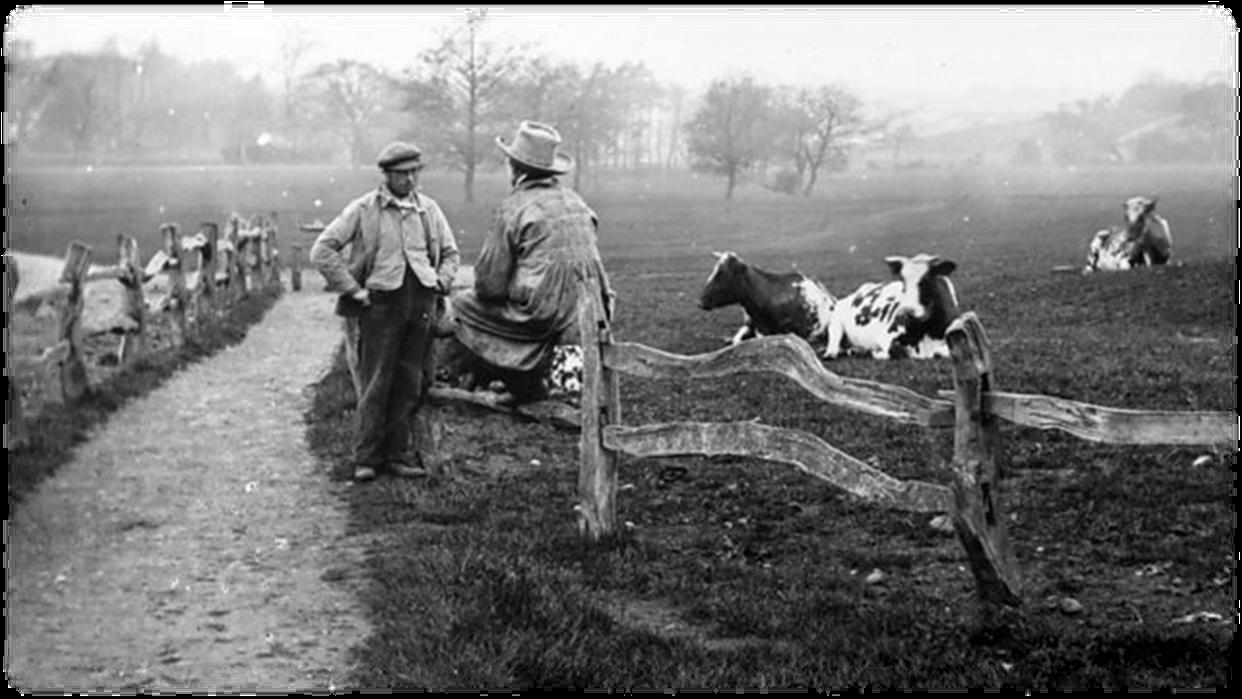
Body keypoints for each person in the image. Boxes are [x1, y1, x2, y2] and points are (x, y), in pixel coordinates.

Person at [310, 140, 460, 482]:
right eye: (402, 174)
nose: (409, 180)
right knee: (376, 380)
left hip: (421, 301)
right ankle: (366, 458)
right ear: (387, 175)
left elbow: (451, 254)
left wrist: (442, 281)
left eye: (414, 173)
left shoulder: (429, 210)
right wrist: (352, 289)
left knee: (411, 381)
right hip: (380, 305)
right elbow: (323, 250)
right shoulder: (364, 209)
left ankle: (396, 455)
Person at [443, 120, 614, 403]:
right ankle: (546, 380)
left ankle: (509, 379)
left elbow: (490, 285)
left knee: (462, 305)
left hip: (542, 313)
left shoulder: (514, 207)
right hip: (593, 305)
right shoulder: (576, 201)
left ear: (516, 169)